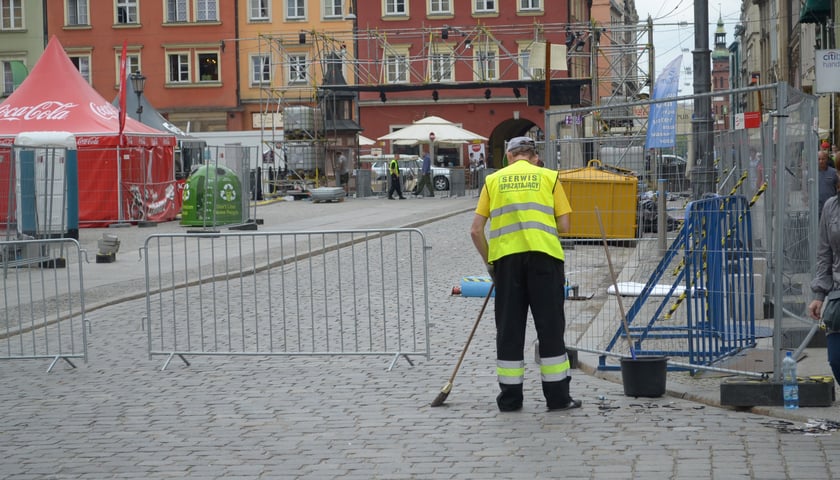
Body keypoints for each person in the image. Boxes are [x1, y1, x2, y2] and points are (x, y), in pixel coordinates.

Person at [469, 136, 579, 412]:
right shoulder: (549, 177)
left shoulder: (493, 180)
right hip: (545, 259)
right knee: (551, 328)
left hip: (507, 263)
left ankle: (510, 399)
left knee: (509, 330)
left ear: (508, 157)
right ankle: (557, 398)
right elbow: (565, 225)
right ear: (534, 156)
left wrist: (490, 264)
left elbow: (475, 231)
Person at [808, 173, 840, 385]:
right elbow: (824, 253)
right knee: (836, 359)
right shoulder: (831, 207)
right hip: (838, 294)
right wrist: (819, 294)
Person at [817, 150, 836, 217]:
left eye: (823, 159)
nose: (821, 161)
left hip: (831, 208)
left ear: (827, 159)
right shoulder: (813, 174)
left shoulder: (833, 173)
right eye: (819, 159)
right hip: (818, 209)